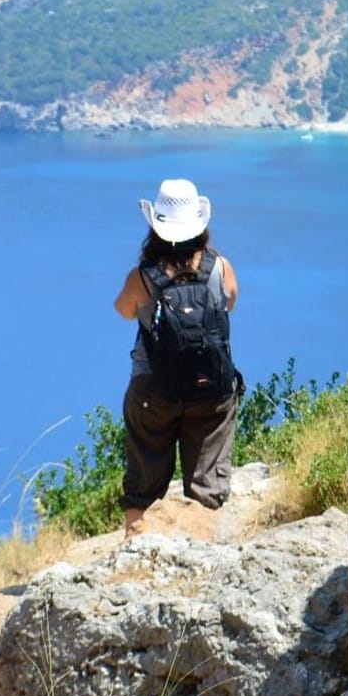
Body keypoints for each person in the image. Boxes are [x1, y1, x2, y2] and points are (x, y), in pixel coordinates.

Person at [112, 177, 241, 536]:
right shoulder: (220, 266)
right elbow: (230, 302)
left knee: (143, 484)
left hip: (154, 390)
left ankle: (135, 556)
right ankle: (205, 560)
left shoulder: (143, 277)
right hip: (211, 390)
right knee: (208, 487)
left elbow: (123, 310)